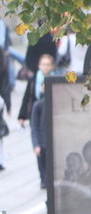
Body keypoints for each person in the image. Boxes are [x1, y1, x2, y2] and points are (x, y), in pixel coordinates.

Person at [18, 53, 53, 187]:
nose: (45, 67)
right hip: (37, 110)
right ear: (39, 66)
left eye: (48, 64)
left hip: (49, 109)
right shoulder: (34, 80)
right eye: (43, 64)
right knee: (40, 149)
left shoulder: (56, 78)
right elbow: (27, 97)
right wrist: (22, 116)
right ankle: (43, 179)